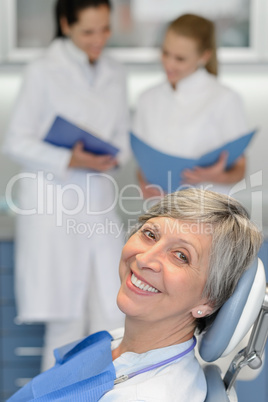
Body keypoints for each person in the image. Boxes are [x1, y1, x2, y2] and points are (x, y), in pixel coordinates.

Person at [7, 189, 262, 401]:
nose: (144, 259)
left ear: (208, 301)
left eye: (181, 256)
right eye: (150, 234)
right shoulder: (117, 342)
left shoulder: (143, 395)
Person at [3, 0, 129, 371]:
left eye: (104, 29)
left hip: (99, 204)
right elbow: (15, 141)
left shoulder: (115, 72)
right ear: (65, 24)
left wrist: (110, 156)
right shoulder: (43, 71)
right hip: (55, 207)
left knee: (114, 317)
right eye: (88, 31)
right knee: (66, 328)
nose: (98, 40)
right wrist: (69, 159)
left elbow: (121, 135)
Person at [133, 14, 248, 198]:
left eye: (180, 59)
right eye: (165, 53)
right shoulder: (147, 98)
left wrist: (217, 175)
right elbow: (142, 162)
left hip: (207, 213)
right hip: (160, 212)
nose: (169, 64)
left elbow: (240, 169)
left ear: (204, 56)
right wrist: (144, 183)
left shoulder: (225, 99)